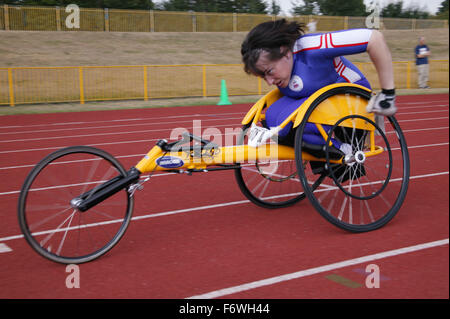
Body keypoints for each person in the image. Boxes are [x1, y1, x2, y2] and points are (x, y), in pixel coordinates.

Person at [241, 19, 396, 151]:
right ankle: (331, 150)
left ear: (285, 52)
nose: (269, 82)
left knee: (294, 127)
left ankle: (341, 150)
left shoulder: (313, 47)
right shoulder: (283, 70)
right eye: (263, 76)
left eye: (269, 71)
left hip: (350, 97)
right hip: (315, 100)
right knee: (270, 117)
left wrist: (388, 93)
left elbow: (374, 38)